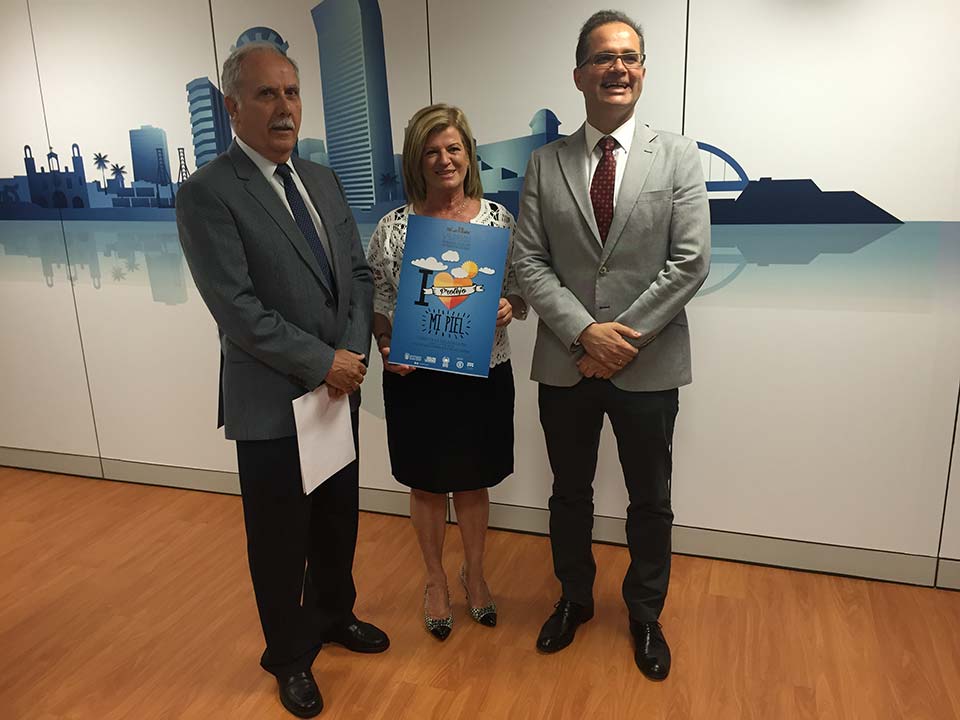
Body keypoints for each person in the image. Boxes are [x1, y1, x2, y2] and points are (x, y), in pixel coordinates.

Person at [175, 42, 388, 718]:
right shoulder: (208, 193)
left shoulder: (321, 179)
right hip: (272, 400)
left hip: (338, 389)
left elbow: (358, 275)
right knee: (278, 540)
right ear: (233, 106)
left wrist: (349, 353)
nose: (284, 107)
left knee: (336, 520)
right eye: (267, 94)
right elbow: (238, 310)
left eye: (292, 92)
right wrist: (323, 362)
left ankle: (334, 615)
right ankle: (289, 656)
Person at [512, 10, 710, 680]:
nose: (617, 68)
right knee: (569, 493)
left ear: (643, 72)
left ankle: (645, 613)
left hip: (647, 363)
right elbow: (529, 261)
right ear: (579, 74)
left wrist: (620, 339)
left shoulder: (678, 156)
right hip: (566, 361)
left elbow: (689, 262)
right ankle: (574, 598)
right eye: (602, 57)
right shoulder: (545, 163)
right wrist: (584, 333)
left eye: (629, 57)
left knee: (650, 497)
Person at [366, 103, 526, 641]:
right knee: (427, 483)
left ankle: (474, 575)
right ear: (417, 160)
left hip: (483, 373)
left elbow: (521, 287)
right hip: (415, 377)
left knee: (474, 480)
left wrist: (508, 305)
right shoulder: (393, 228)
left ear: (468, 154)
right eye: (431, 151)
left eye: (453, 148)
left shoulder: (498, 221)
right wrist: (385, 343)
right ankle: (435, 580)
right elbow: (379, 298)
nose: (444, 160)